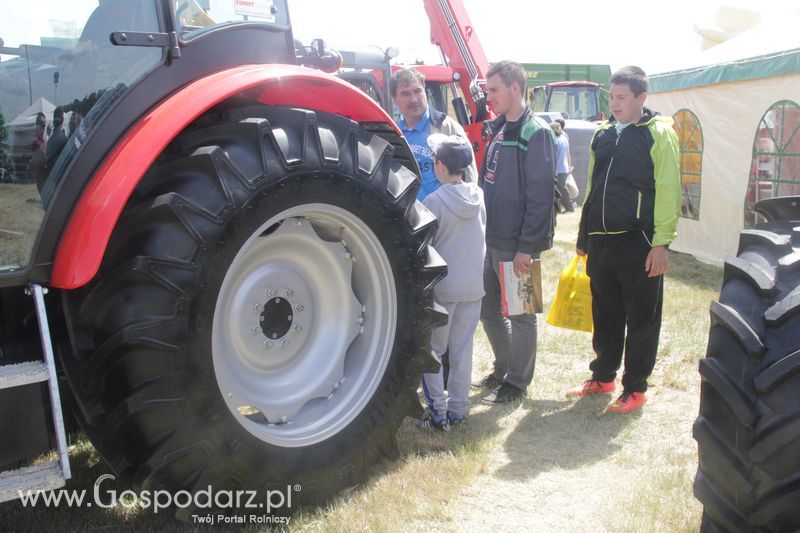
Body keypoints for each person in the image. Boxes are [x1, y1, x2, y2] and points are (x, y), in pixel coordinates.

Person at [567, 66, 681, 413]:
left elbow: (668, 187)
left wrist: (661, 243)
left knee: (642, 318)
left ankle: (636, 387)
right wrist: (585, 232)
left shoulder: (658, 134)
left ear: (641, 98)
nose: (614, 104)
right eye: (611, 97)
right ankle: (603, 376)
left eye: (621, 98)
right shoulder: (602, 134)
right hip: (601, 242)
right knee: (606, 314)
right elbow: (593, 187)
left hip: (639, 242)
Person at [472, 60, 556, 405]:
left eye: (494, 90)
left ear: (515, 88)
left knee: (521, 315)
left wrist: (527, 247)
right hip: (490, 239)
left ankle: (518, 383)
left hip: (517, 244)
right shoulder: (498, 129)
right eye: (488, 90)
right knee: (487, 309)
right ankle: (504, 368)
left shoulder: (536, 132)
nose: (488, 97)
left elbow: (541, 198)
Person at [416, 134, 486, 431]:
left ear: (440, 166)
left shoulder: (434, 200)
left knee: (433, 352)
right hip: (473, 287)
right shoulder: (478, 195)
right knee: (462, 351)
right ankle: (459, 411)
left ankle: (438, 413)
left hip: (443, 288)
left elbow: (425, 243)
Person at [390, 68, 477, 201]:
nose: (413, 99)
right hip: (407, 217)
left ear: (424, 90)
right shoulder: (393, 133)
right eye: (405, 94)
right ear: (395, 100)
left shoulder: (446, 127)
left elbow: (469, 176)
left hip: (442, 216)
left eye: (417, 91)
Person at [550, 118, 575, 212]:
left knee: (562, 189)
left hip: (558, 169)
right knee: (560, 189)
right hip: (563, 168)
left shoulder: (556, 140)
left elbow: (554, 156)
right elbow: (568, 154)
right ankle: (559, 208)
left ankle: (570, 207)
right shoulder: (564, 138)